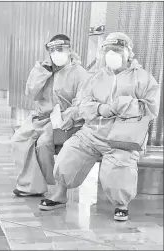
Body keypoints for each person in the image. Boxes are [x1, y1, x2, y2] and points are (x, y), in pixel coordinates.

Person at [45, 32, 160, 221]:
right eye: (108, 50)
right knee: (69, 153)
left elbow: (150, 108)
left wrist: (118, 105)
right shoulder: (96, 77)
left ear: (129, 53)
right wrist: (99, 108)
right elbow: (82, 103)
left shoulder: (143, 78)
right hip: (92, 133)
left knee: (119, 169)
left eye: (117, 50)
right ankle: (60, 194)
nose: (112, 54)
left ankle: (121, 204)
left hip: (124, 137)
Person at [11, 34, 89, 197]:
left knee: (43, 144)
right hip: (40, 117)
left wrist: (69, 117)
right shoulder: (43, 69)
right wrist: (42, 72)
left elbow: (83, 101)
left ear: (69, 50)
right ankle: (29, 185)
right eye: (53, 50)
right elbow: (31, 93)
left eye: (60, 49)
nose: (57, 53)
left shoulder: (79, 73)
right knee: (19, 139)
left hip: (63, 120)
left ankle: (46, 182)